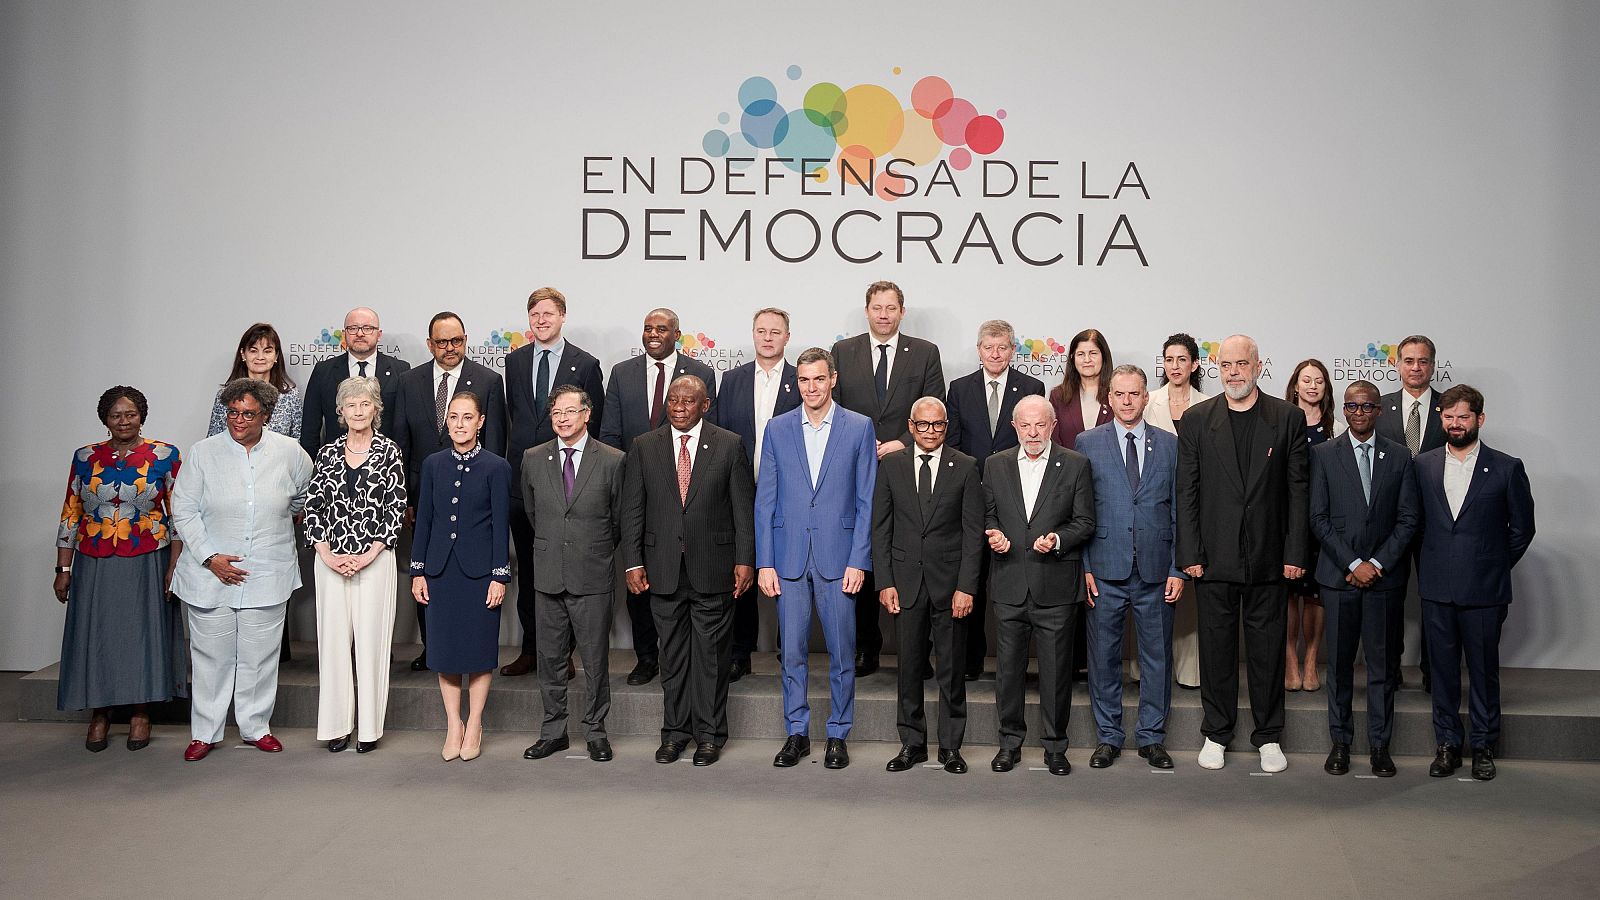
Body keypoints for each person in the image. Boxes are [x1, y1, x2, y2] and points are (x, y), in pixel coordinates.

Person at [1175, 334, 1309, 773]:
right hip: (1213, 559)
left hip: (1270, 558)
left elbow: (1297, 492)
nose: (1233, 372)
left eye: (1241, 364)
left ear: (1258, 366)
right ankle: (1216, 732)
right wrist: (1190, 551)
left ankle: (1268, 736)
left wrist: (1294, 551)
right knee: (1215, 650)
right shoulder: (1196, 420)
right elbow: (1187, 492)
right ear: (1217, 368)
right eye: (1226, 364)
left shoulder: (1287, 418)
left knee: (1268, 650)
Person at [170, 378, 313, 762]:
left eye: (248, 413)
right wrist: (209, 557)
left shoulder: (291, 452)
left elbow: (302, 498)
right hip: (208, 574)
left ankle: (255, 727)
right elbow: (182, 508)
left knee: (259, 658)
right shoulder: (202, 453)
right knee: (210, 659)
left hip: (267, 571)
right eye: (232, 412)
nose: (238, 420)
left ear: (265, 415)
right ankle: (205, 732)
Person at [622, 376, 755, 767]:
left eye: (688, 401)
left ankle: (709, 735)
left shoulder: (729, 444)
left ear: (705, 405)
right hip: (661, 569)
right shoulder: (644, 446)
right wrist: (632, 561)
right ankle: (675, 734)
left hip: (714, 568)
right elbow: (632, 509)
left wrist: (745, 559)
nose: (679, 407)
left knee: (712, 658)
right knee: (673, 658)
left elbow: (742, 510)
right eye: (673, 400)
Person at [757, 347, 877, 771]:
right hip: (787, 558)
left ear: (833, 379)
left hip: (839, 558)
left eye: (819, 379)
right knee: (791, 653)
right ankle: (797, 733)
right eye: (804, 380)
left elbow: (866, 501)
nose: (811, 387)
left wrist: (858, 560)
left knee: (843, 654)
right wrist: (765, 562)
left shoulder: (859, 427)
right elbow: (765, 500)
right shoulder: (777, 428)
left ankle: (838, 734)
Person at [53, 386, 186, 752]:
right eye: (116, 415)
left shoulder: (165, 455)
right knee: (98, 637)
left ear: (142, 415)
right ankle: (100, 713)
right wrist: (63, 567)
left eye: (130, 413)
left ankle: (141, 713)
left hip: (148, 556)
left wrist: (174, 566)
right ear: (105, 419)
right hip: (95, 560)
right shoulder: (85, 457)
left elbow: (179, 516)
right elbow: (71, 512)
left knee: (142, 636)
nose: (124, 420)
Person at [1415, 385, 1535, 781]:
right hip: (1436, 590)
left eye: (1463, 417)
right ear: (1440, 419)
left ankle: (1484, 746)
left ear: (1479, 420)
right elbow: (1414, 525)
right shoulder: (1424, 465)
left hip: (1485, 590)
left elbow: (1522, 529)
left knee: (1484, 672)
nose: (1455, 424)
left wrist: (1492, 565)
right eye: (1448, 417)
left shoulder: (1506, 467)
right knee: (1444, 674)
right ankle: (1448, 744)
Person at [830, 280, 945, 677]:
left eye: (891, 307)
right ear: (866, 311)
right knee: (861, 555)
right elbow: (834, 409)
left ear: (901, 311)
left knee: (911, 556)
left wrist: (901, 442)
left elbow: (935, 407)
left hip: (907, 466)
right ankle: (866, 648)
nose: (884, 314)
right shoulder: (843, 352)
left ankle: (914, 653)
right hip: (854, 469)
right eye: (877, 307)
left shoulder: (925, 353)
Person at [599, 307, 718, 686]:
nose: (653, 334)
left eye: (662, 329)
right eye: (648, 328)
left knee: (676, 577)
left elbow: (710, 436)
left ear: (677, 334)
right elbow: (610, 436)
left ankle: (682, 659)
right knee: (639, 574)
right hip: (636, 491)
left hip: (682, 491)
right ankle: (647, 656)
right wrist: (622, 489)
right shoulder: (622, 373)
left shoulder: (700, 374)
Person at [1309, 381, 1420, 777]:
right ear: (1344, 409)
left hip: (1383, 582)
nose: (1359, 413)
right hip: (1339, 579)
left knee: (1381, 668)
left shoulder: (1400, 456)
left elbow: (1408, 519)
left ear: (1378, 411)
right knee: (1338, 668)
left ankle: (1379, 745)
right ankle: (1340, 742)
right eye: (1352, 407)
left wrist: (1377, 563)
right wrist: (1353, 563)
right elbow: (1318, 519)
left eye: (1367, 406)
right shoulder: (1322, 454)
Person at [1078, 366, 1185, 770]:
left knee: (1156, 658)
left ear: (1146, 398)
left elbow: (1179, 512)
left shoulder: (1171, 445)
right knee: (1103, 657)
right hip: (1105, 569)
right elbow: (1081, 511)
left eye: (1134, 394)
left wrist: (1178, 569)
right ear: (1109, 398)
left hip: (1157, 571)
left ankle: (1151, 737)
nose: (1126, 401)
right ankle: (1108, 737)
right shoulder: (1087, 443)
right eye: (1119, 394)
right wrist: (1085, 566)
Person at [983, 395, 1095, 776]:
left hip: (1056, 587)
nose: (1033, 432)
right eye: (1025, 425)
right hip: (1010, 582)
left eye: (1040, 425)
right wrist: (993, 533)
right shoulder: (995, 465)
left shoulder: (1075, 464)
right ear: (1015, 427)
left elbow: (1085, 521)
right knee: (1008, 674)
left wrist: (1059, 539)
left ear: (1052, 426)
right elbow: (987, 513)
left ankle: (1055, 747)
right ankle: (1008, 744)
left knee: (1056, 672)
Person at [871, 397, 984, 774]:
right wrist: (884, 582)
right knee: (909, 669)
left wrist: (967, 587)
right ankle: (912, 744)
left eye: (937, 425)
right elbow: (881, 528)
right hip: (904, 586)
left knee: (951, 671)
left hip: (951, 587)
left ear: (946, 426)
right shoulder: (892, 464)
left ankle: (950, 747)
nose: (930, 431)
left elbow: (972, 534)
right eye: (922, 425)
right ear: (911, 424)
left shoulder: (966, 467)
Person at [390, 311, 507, 672]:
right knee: (429, 571)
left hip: (474, 499)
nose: (450, 348)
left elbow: (497, 443)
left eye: (456, 340)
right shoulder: (409, 381)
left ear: (465, 340)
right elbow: (400, 443)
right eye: (442, 342)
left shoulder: (488, 380)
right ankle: (432, 647)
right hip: (423, 497)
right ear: (430, 344)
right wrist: (407, 499)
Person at [502, 287, 606, 678]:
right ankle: (532, 650)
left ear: (563, 316)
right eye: (534, 314)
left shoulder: (586, 363)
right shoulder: (514, 362)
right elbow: (512, 418)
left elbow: (591, 424)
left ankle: (564, 654)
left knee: (568, 570)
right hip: (523, 482)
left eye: (548, 313)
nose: (541, 320)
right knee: (530, 571)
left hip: (568, 482)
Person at [521, 385, 626, 764]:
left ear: (587, 414)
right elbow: (534, 514)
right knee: (549, 660)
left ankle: (596, 731)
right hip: (548, 575)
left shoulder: (613, 460)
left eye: (569, 411)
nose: (562, 419)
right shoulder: (533, 458)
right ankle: (554, 732)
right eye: (556, 413)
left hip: (592, 574)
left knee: (596, 662)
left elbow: (618, 521)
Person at [302, 377, 406, 753]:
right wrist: (328, 554)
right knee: (332, 646)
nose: (358, 411)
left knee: (371, 646)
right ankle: (336, 727)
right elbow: (312, 508)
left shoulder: (390, 452)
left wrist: (367, 554)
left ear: (376, 409)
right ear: (340, 412)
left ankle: (368, 730)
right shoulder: (327, 454)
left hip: (375, 561)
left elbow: (395, 509)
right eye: (351, 405)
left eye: (365, 404)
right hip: (330, 562)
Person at [409, 391, 510, 762]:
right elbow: (425, 521)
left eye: (468, 417)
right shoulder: (433, 464)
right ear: (446, 421)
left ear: (480, 421)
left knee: (479, 653)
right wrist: (418, 570)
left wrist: (499, 576)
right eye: (454, 417)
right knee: (446, 652)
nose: (460, 424)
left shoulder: (497, 467)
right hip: (440, 572)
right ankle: (454, 723)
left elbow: (502, 525)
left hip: (480, 573)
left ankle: (476, 722)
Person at [943, 319, 1045, 681]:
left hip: (1016, 494)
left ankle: (1009, 663)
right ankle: (970, 661)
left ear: (1012, 349)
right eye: (989, 347)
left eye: (1003, 347)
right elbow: (952, 442)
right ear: (979, 350)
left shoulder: (1032, 387)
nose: (996, 354)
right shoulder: (959, 388)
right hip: (970, 493)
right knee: (971, 577)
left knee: (1010, 579)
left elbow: (1036, 440)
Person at [711, 307, 799, 682]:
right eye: (761, 331)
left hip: (789, 492)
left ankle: (787, 650)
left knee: (788, 569)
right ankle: (739, 652)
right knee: (742, 567)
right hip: (739, 490)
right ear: (753, 334)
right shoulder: (731, 379)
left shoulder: (804, 380)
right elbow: (718, 434)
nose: (767, 337)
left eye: (775, 332)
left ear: (787, 337)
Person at [1376, 335, 1447, 692]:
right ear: (1397, 364)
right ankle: (1390, 670)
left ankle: (1434, 671)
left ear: (1433, 365)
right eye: (1408, 360)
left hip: (1438, 522)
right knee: (1389, 599)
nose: (1415, 367)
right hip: (1389, 522)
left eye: (1422, 361)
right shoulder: (1379, 407)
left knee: (1435, 600)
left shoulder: (1449, 408)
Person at [1142, 333, 1211, 690]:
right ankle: (1148, 671)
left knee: (1187, 588)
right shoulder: (1146, 401)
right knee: (1152, 588)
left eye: (1182, 360)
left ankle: (1189, 671)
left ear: (1195, 364)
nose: (1175, 366)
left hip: (1196, 507)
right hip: (1153, 505)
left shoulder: (1210, 404)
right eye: (1169, 360)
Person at [1284, 358, 1345, 692]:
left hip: (1323, 521)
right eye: (1306, 380)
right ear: (1295, 384)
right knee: (1288, 595)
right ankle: (1289, 661)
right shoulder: (1282, 419)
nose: (1312, 386)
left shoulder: (1337, 426)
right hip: (1288, 520)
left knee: (1316, 596)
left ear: (1326, 387)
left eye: (1319, 381)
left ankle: (1310, 661)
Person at [299, 307, 411, 453]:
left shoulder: (400, 370)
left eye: (367, 328)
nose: (359, 333)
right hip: (336, 463)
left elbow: (405, 426)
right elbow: (310, 427)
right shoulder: (323, 371)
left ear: (379, 334)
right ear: (344, 334)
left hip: (386, 462)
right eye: (353, 328)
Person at [207, 323, 302, 440]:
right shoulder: (226, 395)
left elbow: (298, 442)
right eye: (253, 350)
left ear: (276, 355)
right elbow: (213, 440)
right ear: (243, 354)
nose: (260, 357)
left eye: (267, 351)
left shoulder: (290, 396)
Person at [1048, 328, 1112, 450]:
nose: (1087, 360)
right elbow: (1054, 443)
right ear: (1072, 358)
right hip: (1070, 468)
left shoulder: (1117, 395)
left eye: (1093, 353)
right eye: (1081, 354)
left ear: (1103, 356)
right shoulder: (1058, 396)